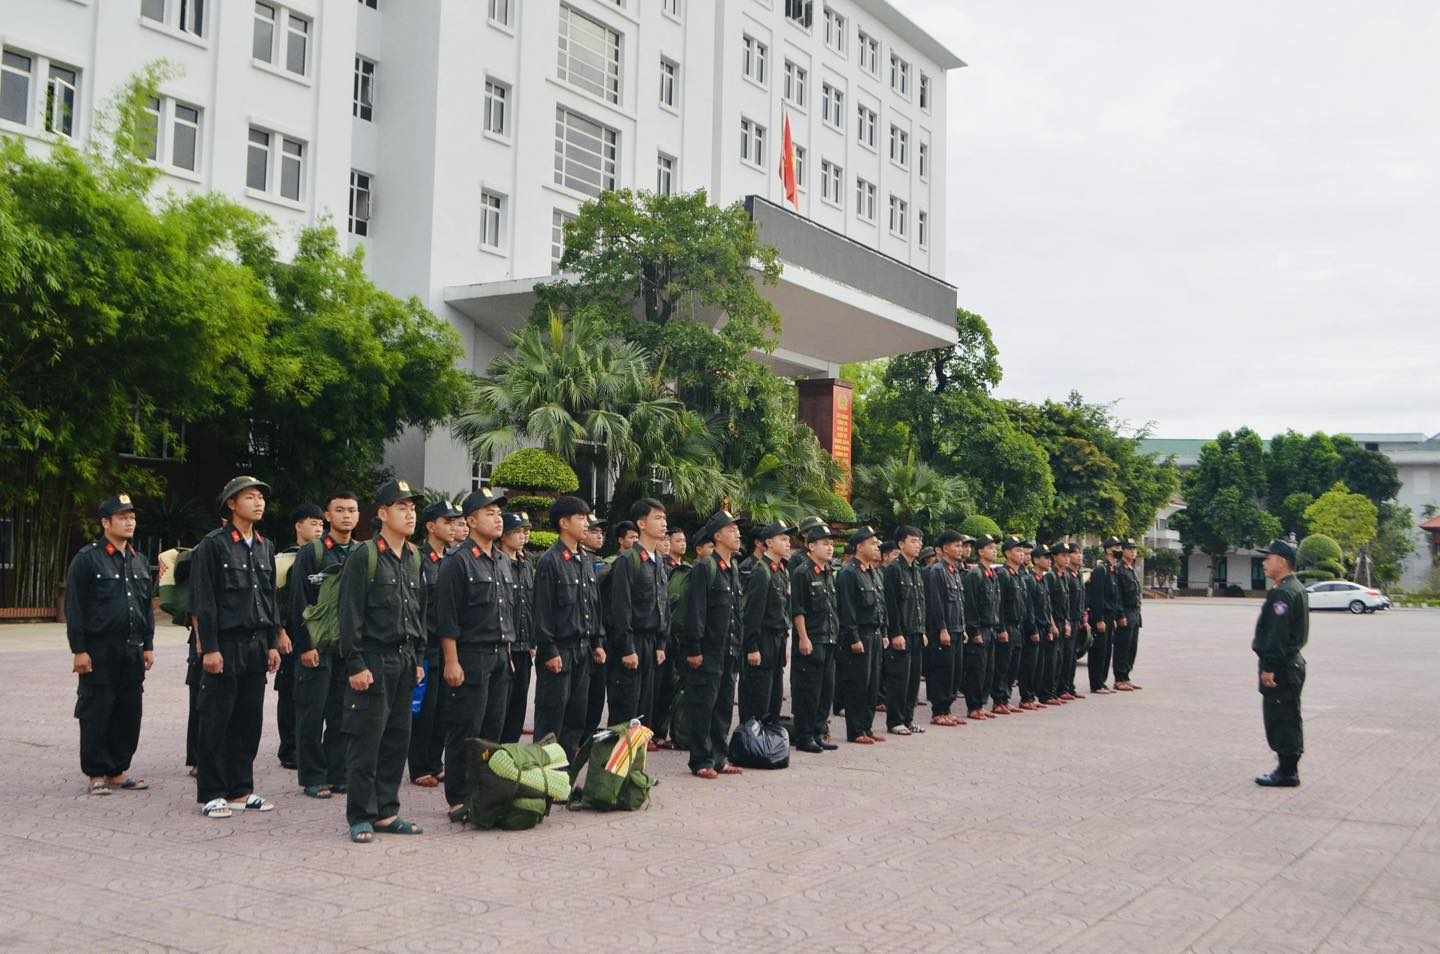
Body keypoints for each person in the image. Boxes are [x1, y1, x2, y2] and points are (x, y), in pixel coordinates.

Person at [338, 478, 428, 843]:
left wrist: (419, 656)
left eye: (412, 508)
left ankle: (388, 812)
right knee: (366, 740)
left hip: (405, 661)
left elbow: (420, 611)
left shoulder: (414, 556)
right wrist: (355, 664)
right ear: (382, 513)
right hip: (373, 660)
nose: (409, 514)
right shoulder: (365, 555)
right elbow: (350, 614)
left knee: (397, 739)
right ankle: (361, 814)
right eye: (401, 507)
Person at [189, 476, 282, 819]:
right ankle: (212, 792)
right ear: (231, 504)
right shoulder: (213, 545)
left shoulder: (264, 545)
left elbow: (270, 597)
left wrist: (272, 642)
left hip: (257, 644)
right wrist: (209, 648)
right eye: (250, 497)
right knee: (216, 718)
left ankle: (241, 789)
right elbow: (203, 600)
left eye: (261, 497)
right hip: (225, 644)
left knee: (248, 720)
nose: (258, 502)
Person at [65, 494, 155, 796]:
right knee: (97, 710)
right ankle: (97, 772)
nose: (130, 522)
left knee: (129, 712)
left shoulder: (139, 560)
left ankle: (118, 769)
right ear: (106, 522)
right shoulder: (88, 559)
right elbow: (75, 607)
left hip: (131, 649)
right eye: (122, 517)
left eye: (132, 517)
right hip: (99, 649)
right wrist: (79, 649)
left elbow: (145, 607)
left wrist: (148, 645)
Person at [437, 488, 516, 821]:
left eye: (499, 513)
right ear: (470, 521)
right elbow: (447, 617)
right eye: (489, 513)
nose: (497, 519)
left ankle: (484, 789)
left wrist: (508, 651)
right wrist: (452, 661)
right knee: (466, 727)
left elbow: (505, 611)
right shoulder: (457, 561)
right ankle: (458, 795)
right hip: (470, 655)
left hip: (500, 654)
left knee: (492, 727)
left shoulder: (501, 559)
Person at [288, 492, 361, 799]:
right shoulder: (312, 553)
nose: (347, 515)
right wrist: (304, 645)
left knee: (343, 713)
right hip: (317, 646)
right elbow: (298, 601)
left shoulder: (362, 552)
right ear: (328, 517)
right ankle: (313, 777)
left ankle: (338, 772)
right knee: (312, 712)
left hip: (348, 648)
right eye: (340, 510)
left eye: (352, 510)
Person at [531, 496, 602, 759]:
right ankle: (544, 779)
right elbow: (542, 610)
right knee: (552, 718)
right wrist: (549, 650)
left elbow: (593, 607)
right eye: (581, 518)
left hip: (583, 651)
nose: (587, 524)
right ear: (563, 523)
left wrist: (598, 643)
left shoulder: (584, 559)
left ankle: (566, 776)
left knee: (576, 718)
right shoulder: (551, 561)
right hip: (560, 650)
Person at [682, 510, 746, 778]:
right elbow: (695, 611)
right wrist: (694, 649)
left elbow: (735, 613)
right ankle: (701, 760)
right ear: (717, 536)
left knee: (722, 706)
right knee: (703, 705)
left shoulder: (731, 568)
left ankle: (720, 756)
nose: (738, 534)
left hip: (728, 649)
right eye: (732, 530)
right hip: (708, 651)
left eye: (738, 530)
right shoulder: (705, 567)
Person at [409, 498, 462, 787]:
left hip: (447, 644)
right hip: (425, 643)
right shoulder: (418, 558)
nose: (454, 527)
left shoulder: (453, 559)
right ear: (431, 526)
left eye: (456, 521)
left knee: (445, 708)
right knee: (424, 710)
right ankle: (419, 766)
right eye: (447, 521)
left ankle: (435, 761)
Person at [606, 499, 671, 728]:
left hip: (652, 644)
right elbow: (620, 609)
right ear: (642, 524)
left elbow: (663, 604)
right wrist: (627, 648)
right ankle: (615, 764)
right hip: (632, 643)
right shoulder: (627, 560)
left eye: (664, 518)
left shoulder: (659, 561)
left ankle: (635, 763)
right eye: (657, 518)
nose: (664, 523)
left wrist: (662, 643)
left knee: (644, 714)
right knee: (626, 711)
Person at [1252, 538, 1309, 787]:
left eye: (1269, 558)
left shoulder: (1284, 593)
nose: (1265, 563)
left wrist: (1269, 668)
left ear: (1282, 562)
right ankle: (1287, 768)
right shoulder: (1294, 587)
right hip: (1291, 664)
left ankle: (1287, 772)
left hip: (1282, 668)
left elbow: (1277, 635)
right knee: (1288, 714)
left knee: (1281, 717)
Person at [275, 503, 324, 770]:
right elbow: (275, 601)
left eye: (320, 524)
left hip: (317, 634)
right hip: (291, 634)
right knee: (289, 691)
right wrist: (279, 632)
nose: (318, 528)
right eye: (312, 523)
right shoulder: (284, 559)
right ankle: (289, 748)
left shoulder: (323, 557)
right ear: (298, 526)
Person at [790, 521, 841, 753]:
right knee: (808, 690)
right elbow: (798, 609)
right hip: (812, 639)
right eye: (824, 544)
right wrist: (803, 637)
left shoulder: (829, 571)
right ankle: (804, 735)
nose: (830, 548)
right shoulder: (803, 572)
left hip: (829, 638)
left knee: (826, 689)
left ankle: (819, 732)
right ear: (811, 546)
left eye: (831, 544)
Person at [837, 526, 888, 745]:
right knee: (858, 683)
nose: (877, 546)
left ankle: (867, 726)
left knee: (873, 684)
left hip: (875, 634)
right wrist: (854, 637)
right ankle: (856, 729)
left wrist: (884, 632)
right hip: (860, 635)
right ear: (860, 546)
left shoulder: (874, 572)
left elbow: (880, 604)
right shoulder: (849, 573)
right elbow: (847, 609)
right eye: (872, 543)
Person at [739, 522, 794, 725]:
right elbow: (753, 613)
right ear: (769, 543)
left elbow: (783, 610)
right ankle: (751, 741)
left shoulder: (781, 570)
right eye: (783, 539)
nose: (788, 543)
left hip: (777, 640)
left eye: (788, 539)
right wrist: (752, 646)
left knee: (774, 696)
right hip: (763, 639)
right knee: (758, 695)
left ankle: (768, 741)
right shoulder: (761, 571)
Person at [883, 527, 926, 735]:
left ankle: (908, 719)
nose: (918, 545)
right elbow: (891, 604)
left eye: (919, 541)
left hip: (916, 631)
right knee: (899, 678)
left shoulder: (917, 569)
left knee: (913, 680)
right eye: (914, 541)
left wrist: (922, 629)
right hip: (902, 632)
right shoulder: (893, 569)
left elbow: (920, 603)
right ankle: (895, 721)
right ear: (901, 544)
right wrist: (895, 633)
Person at [498, 511, 536, 743]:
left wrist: (532, 640)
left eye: (525, 531)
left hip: (523, 645)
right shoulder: (498, 563)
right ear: (503, 535)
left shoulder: (527, 564)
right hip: (504, 645)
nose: (523, 536)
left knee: (518, 703)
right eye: (517, 532)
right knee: (500, 704)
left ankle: (510, 750)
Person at [651, 526, 689, 748]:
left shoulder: (686, 570)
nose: (680, 544)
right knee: (658, 686)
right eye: (676, 540)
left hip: (676, 638)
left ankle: (666, 731)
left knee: (673, 686)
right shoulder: (659, 567)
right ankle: (654, 730)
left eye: (684, 540)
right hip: (661, 636)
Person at [924, 530, 966, 727]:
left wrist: (963, 627)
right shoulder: (937, 571)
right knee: (941, 670)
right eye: (956, 545)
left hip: (957, 628)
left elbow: (959, 602)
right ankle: (938, 711)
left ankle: (947, 709)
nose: (960, 549)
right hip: (944, 630)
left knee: (954, 671)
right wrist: (942, 629)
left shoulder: (955, 570)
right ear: (944, 549)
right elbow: (936, 603)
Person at [585, 517, 619, 733]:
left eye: (602, 533)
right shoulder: (584, 561)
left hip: (600, 632)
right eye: (594, 531)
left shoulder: (601, 562)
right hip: (581, 636)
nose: (600, 536)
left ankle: (588, 732)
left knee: (597, 690)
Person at [961, 535, 1001, 722]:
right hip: (980, 629)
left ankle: (982, 704)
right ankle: (974, 706)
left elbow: (995, 604)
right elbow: (971, 606)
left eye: (995, 547)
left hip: (991, 628)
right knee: (977, 669)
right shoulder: (974, 575)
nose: (994, 550)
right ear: (981, 551)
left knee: (989, 669)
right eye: (990, 547)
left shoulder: (992, 575)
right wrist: (974, 631)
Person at [992, 537, 1028, 715]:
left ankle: (1006, 698)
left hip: (1018, 625)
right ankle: (998, 700)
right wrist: (1001, 628)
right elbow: (999, 604)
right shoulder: (1003, 574)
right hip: (1007, 625)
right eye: (1017, 551)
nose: (1021, 554)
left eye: (1022, 551)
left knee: (1014, 665)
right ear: (1007, 553)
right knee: (1003, 665)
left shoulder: (1020, 575)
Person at [1020, 544, 1057, 710]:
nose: (1049, 561)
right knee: (1030, 664)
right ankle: (1026, 697)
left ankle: (1034, 695)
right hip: (1032, 629)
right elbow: (1029, 608)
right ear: (1035, 560)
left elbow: (1046, 606)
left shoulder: (1043, 579)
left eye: (1050, 557)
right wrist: (1033, 629)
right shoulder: (1029, 580)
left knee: (1041, 664)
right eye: (1045, 557)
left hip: (1043, 627)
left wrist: (1050, 626)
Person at [1086, 538, 1124, 694]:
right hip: (1100, 616)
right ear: (1108, 550)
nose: (1119, 549)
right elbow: (1097, 597)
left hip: (1110, 616)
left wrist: (1115, 617)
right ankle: (1096, 683)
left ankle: (1102, 681)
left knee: (1107, 650)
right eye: (1116, 547)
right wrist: (1099, 619)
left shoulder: (1112, 570)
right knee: (1098, 650)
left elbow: (1114, 597)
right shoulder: (1101, 570)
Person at [1040, 544, 1071, 706]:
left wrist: (1066, 622)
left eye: (1068, 555)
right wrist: (1052, 625)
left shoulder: (1063, 576)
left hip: (1061, 621)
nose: (1067, 558)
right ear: (1055, 557)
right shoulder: (1050, 577)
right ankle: (1047, 694)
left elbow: (1065, 604)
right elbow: (1048, 604)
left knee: (1059, 659)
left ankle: (1055, 691)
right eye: (1063, 555)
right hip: (1052, 622)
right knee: (1050, 660)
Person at [1114, 539, 1144, 691]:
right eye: (1130, 549)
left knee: (1132, 647)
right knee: (1122, 647)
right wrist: (1120, 615)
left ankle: (1126, 676)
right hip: (1125, 611)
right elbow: (1118, 594)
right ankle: (1119, 678)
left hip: (1135, 612)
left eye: (1134, 549)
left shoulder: (1131, 568)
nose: (1133, 552)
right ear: (1123, 551)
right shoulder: (1119, 569)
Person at [1062, 543, 1087, 700]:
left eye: (1080, 553)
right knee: (1065, 656)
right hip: (1068, 621)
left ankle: (1070, 687)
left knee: (1072, 656)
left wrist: (1084, 616)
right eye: (1075, 553)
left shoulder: (1077, 575)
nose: (1079, 556)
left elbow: (1081, 599)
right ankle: (1062, 687)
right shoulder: (1065, 575)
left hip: (1077, 620)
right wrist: (1067, 622)